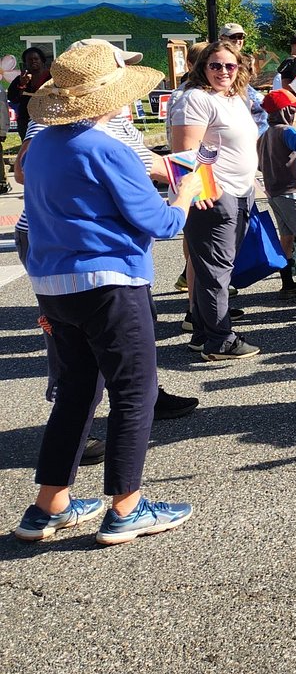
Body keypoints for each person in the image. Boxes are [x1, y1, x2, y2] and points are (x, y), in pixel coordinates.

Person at [12, 42, 201, 545]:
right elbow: (160, 222)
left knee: (76, 392)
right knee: (135, 392)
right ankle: (127, 507)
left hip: (53, 284)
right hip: (110, 283)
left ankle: (49, 504)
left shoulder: (43, 144)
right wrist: (185, 192)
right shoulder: (107, 148)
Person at [177, 42, 262, 362]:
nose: (223, 71)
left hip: (239, 191)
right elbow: (184, 153)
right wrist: (201, 192)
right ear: (202, 67)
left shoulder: (231, 97)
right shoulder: (196, 99)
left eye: (230, 65)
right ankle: (220, 340)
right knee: (215, 271)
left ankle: (203, 333)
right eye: (215, 65)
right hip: (213, 195)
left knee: (216, 268)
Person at [257, 89, 296, 303]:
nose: (295, 113)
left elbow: (260, 165)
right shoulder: (286, 131)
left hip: (274, 192)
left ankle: (288, 284)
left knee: (287, 237)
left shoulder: (264, 135)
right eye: (292, 109)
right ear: (284, 111)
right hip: (292, 192)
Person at [8, 46, 52, 138]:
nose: (33, 61)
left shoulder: (51, 78)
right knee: (28, 146)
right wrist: (22, 84)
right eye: (30, 59)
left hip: (49, 119)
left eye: (36, 59)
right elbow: (12, 98)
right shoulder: (20, 79)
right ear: (25, 63)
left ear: (42, 60)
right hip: (26, 121)